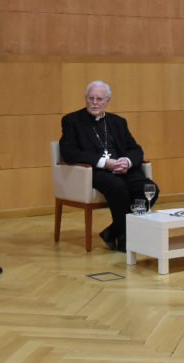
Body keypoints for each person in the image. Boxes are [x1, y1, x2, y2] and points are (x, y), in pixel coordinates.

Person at [59, 81, 157, 252]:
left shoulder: (118, 122)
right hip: (94, 171)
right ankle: (124, 238)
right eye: (91, 98)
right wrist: (105, 163)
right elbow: (69, 152)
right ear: (86, 99)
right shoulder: (72, 121)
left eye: (99, 99)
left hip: (122, 169)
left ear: (107, 100)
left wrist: (126, 161)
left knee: (150, 189)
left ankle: (113, 231)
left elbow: (136, 149)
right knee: (117, 187)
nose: (95, 103)